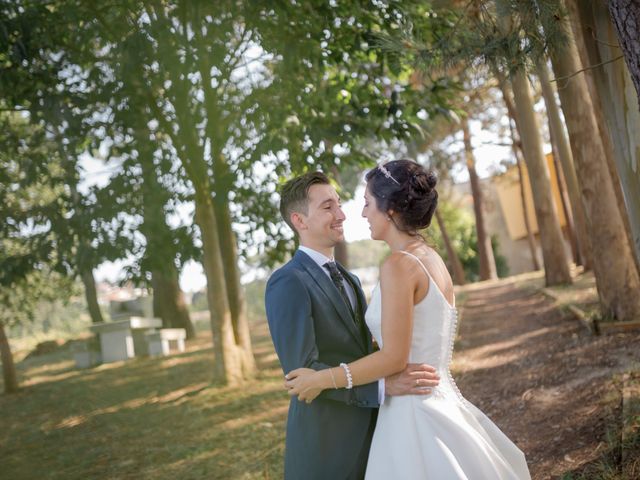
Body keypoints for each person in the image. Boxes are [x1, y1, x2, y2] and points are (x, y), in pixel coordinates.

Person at [286, 160, 531, 479]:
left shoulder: (399, 265)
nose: (361, 214)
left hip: (413, 413)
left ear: (389, 210)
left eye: (367, 204)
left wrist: (322, 378)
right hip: (437, 398)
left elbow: (394, 357)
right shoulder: (430, 258)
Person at [265, 171, 441, 480]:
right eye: (327, 207)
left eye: (339, 204)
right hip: (327, 449)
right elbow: (303, 375)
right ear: (299, 221)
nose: (342, 214)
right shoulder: (287, 282)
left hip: (374, 438)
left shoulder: (350, 278)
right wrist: (383, 387)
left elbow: (362, 348)